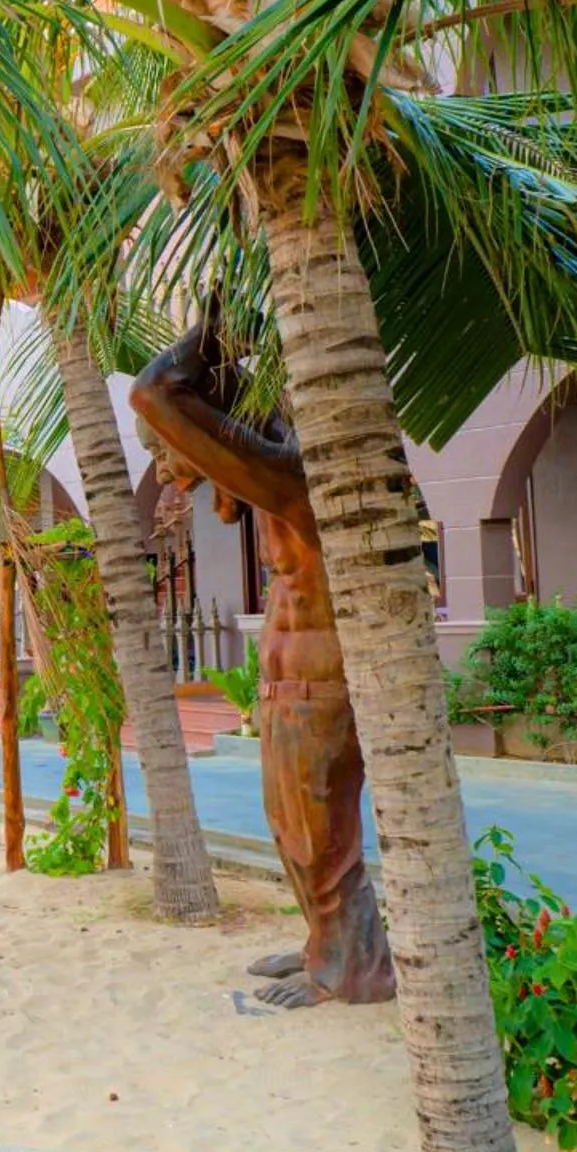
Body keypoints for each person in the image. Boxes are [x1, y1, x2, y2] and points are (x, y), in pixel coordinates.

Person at [129, 316, 397, 1008]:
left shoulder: (295, 480)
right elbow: (222, 421)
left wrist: (218, 329)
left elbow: (154, 391)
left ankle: (354, 971)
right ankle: (324, 947)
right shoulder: (273, 479)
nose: (171, 475)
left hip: (322, 683)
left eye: (171, 456)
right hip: (291, 685)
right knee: (293, 829)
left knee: (320, 837)